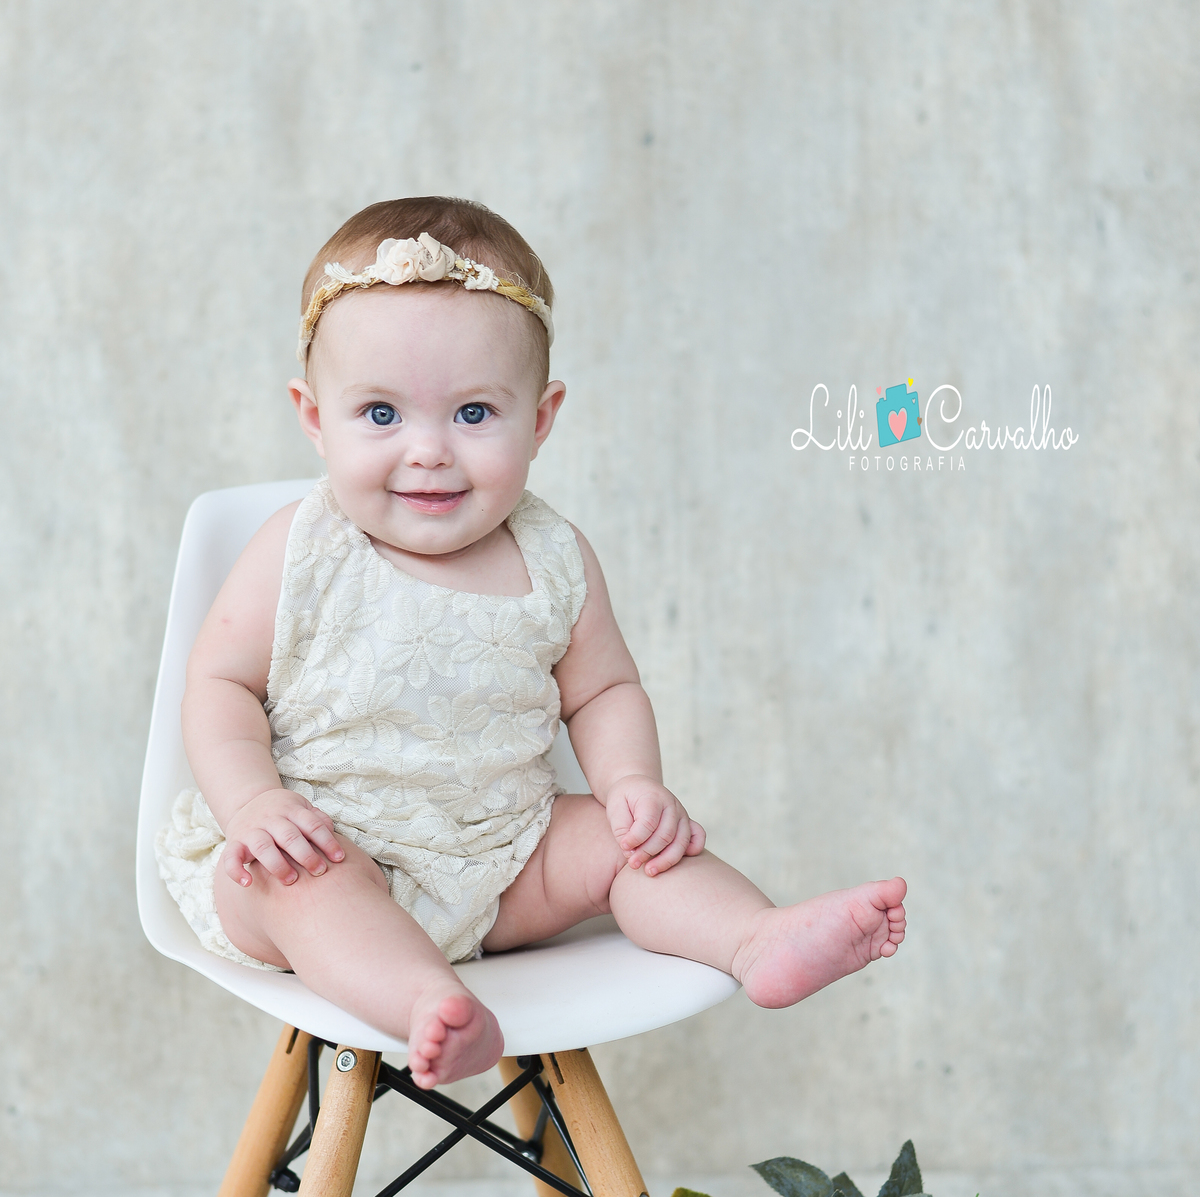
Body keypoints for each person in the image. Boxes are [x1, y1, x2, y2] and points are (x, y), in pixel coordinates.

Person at [157, 198, 906, 1090]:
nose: (429, 451)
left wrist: (632, 786)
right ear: (314, 417)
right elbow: (219, 687)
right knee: (296, 886)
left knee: (628, 849)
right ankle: (428, 1003)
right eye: (381, 414)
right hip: (323, 843)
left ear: (541, 419)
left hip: (506, 857)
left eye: (474, 413)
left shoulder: (554, 558)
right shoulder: (299, 547)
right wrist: (253, 805)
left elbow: (604, 692)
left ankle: (753, 938)